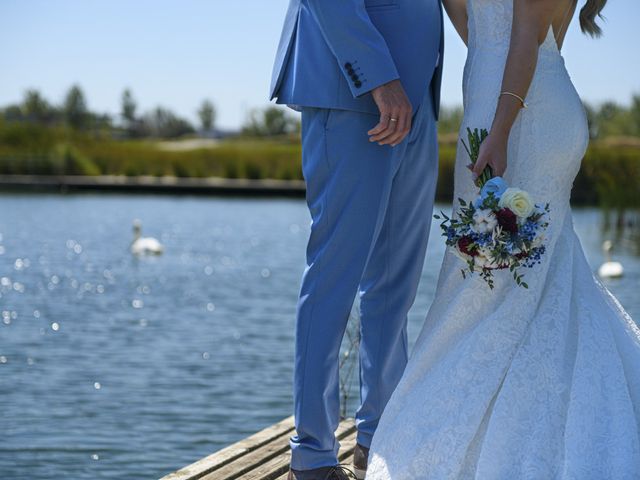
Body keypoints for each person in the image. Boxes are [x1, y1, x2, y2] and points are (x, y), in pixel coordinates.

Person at [366, 0, 640, 478]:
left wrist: (498, 132)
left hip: (514, 113)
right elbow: (478, 28)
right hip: (520, 97)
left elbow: (522, 37)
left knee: (490, 280)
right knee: (529, 275)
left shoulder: (506, 115)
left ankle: (499, 426)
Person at [269, 1, 444, 479]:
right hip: (356, 95)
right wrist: (378, 77)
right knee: (334, 278)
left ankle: (378, 440)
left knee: (396, 286)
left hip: (418, 104)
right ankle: (313, 456)